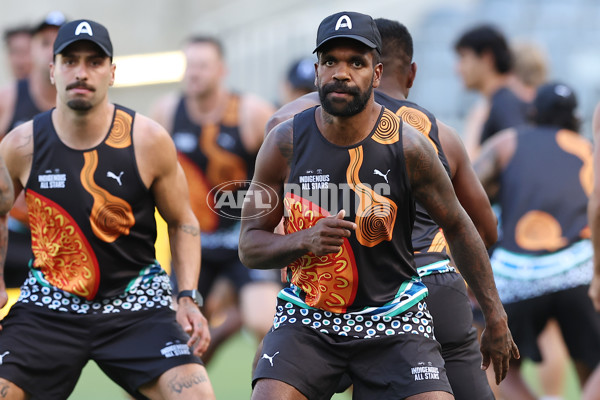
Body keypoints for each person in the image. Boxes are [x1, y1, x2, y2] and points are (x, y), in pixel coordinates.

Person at [240, 11, 517, 400]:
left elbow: (459, 225)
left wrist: (495, 314)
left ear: (376, 72)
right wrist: (304, 239)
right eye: (331, 61)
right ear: (317, 69)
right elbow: (250, 245)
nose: (342, 72)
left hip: (395, 319)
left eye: (356, 62)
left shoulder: (410, 146)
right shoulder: (284, 141)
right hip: (309, 319)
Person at [0, 19, 215, 399]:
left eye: (95, 61)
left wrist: (187, 297)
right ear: (52, 70)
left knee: (197, 396)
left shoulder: (147, 140)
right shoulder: (21, 144)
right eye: (70, 61)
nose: (81, 72)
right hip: (49, 304)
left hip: (136, 303)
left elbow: (183, 222)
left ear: (112, 73)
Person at [150, 35, 279, 364]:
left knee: (267, 324)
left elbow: (287, 176)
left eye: (203, 66)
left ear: (222, 69)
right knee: (167, 342)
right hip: (194, 243)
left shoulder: (251, 113)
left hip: (244, 241)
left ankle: (268, 387)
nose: (194, 73)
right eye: (189, 65)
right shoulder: (166, 113)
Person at [474, 82, 600, 400]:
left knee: (485, 357)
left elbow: (465, 197)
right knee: (593, 358)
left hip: (517, 274)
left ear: (533, 113)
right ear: (575, 118)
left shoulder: (507, 143)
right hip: (580, 270)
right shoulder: (588, 148)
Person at [0, 11, 66, 290]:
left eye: (58, 43)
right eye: (44, 42)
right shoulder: (9, 98)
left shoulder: (81, 99)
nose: (51, 50)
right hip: (14, 231)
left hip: (63, 236)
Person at [454, 24, 530, 160]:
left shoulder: (506, 103)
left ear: (487, 58)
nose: (458, 69)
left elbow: (520, 157)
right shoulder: (494, 103)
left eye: (464, 57)